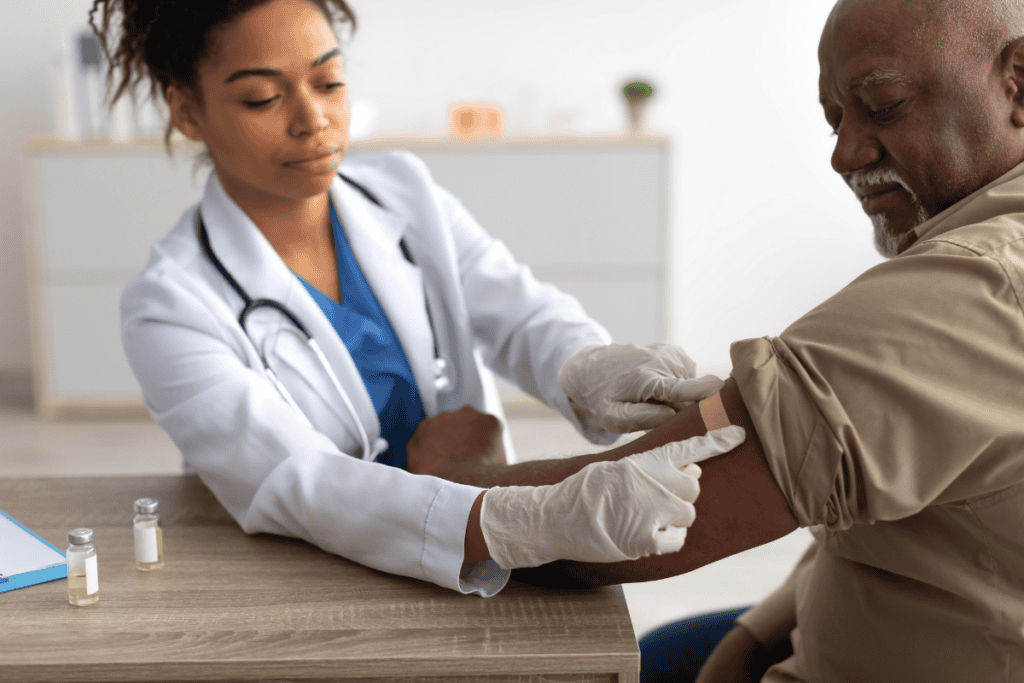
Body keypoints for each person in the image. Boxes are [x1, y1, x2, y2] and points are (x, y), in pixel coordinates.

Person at [414, 0, 1024, 679]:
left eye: (882, 105)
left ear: (1017, 84)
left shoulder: (977, 286)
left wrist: (448, 475)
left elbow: (602, 532)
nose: (844, 153)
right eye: (834, 120)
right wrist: (757, 632)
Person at [93, 0, 734, 599]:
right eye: (263, 96)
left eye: (329, 82)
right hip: (312, 583)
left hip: (470, 540)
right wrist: (528, 519)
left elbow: (517, 310)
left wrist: (585, 367)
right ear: (187, 111)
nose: (312, 119)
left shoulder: (403, 191)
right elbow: (293, 482)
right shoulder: (168, 306)